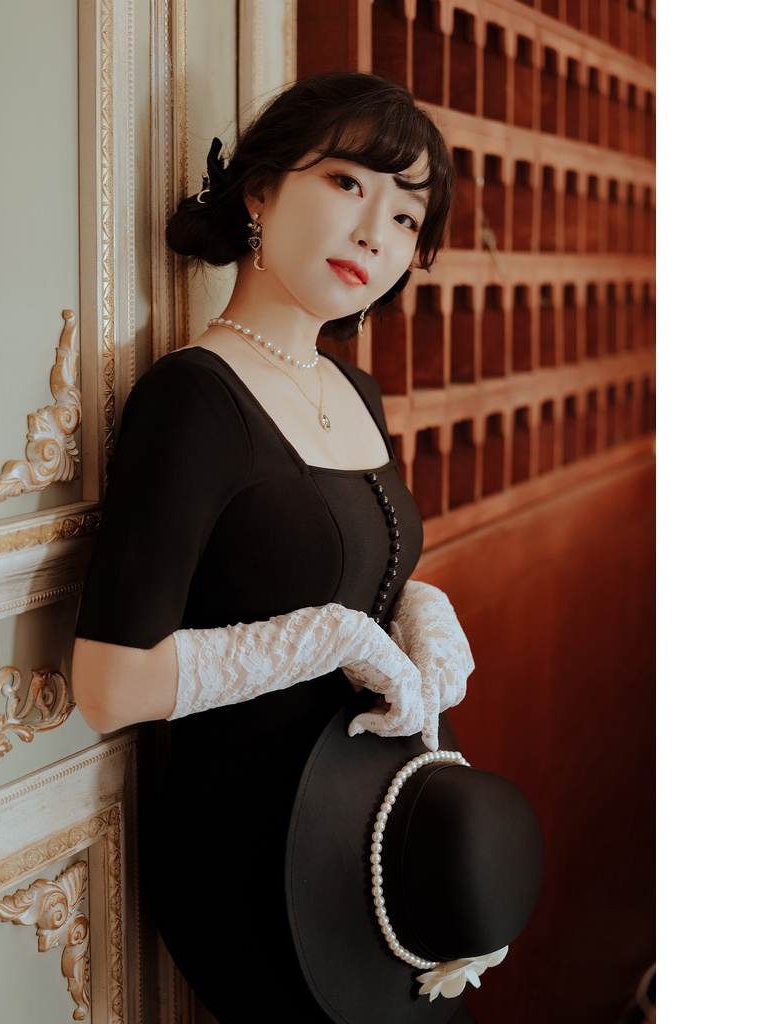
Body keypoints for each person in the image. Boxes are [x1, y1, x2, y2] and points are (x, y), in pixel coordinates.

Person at [73, 72, 486, 1023]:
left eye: (407, 216)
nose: (376, 233)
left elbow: (353, 566)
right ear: (260, 191)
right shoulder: (195, 398)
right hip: (255, 857)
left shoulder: (354, 390)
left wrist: (419, 609)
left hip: (373, 825)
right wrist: (332, 637)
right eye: (347, 183)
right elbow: (110, 685)